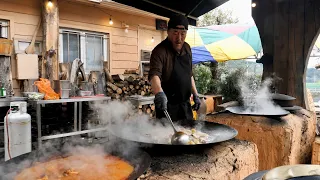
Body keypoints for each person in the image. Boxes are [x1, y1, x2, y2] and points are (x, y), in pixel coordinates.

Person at [148, 14, 201, 122]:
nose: (179, 38)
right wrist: (159, 93)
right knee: (166, 137)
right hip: (167, 107)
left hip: (185, 105)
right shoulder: (159, 51)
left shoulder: (187, 48)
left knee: (189, 136)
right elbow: (154, 75)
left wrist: (195, 94)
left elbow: (189, 74)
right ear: (168, 31)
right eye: (175, 33)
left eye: (183, 33)